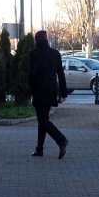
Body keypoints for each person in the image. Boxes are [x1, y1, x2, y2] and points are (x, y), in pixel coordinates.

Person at [29, 30, 69, 158]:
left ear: (36, 40)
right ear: (47, 40)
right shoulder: (55, 53)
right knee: (43, 119)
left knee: (43, 120)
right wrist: (63, 92)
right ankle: (39, 149)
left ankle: (61, 139)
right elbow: (61, 74)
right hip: (52, 89)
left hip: (40, 89)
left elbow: (32, 74)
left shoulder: (34, 54)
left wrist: (30, 88)